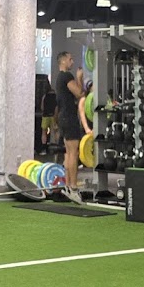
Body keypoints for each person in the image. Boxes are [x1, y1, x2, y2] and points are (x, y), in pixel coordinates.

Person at [55, 51, 84, 202]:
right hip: (69, 118)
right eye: (70, 59)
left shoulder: (59, 78)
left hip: (63, 117)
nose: (72, 62)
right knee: (74, 153)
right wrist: (80, 78)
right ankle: (73, 187)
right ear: (64, 61)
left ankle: (67, 186)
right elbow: (79, 93)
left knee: (68, 153)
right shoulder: (67, 76)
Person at [40, 81, 57, 148]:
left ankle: (44, 147)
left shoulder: (45, 96)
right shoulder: (55, 96)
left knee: (44, 132)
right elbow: (57, 106)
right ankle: (57, 145)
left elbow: (42, 107)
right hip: (54, 115)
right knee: (55, 131)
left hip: (45, 115)